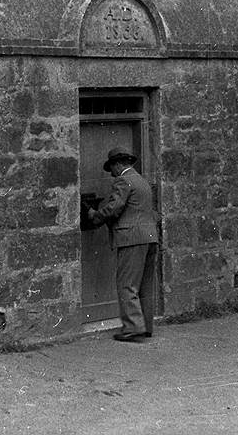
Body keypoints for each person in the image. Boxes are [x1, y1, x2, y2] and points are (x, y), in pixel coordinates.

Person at [87, 146, 158, 343]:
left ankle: (133, 328)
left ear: (118, 164)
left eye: (112, 169)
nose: (113, 174)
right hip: (150, 237)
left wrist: (95, 215)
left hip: (131, 238)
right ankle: (146, 326)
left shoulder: (124, 180)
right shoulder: (141, 181)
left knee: (127, 284)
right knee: (145, 285)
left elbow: (114, 208)